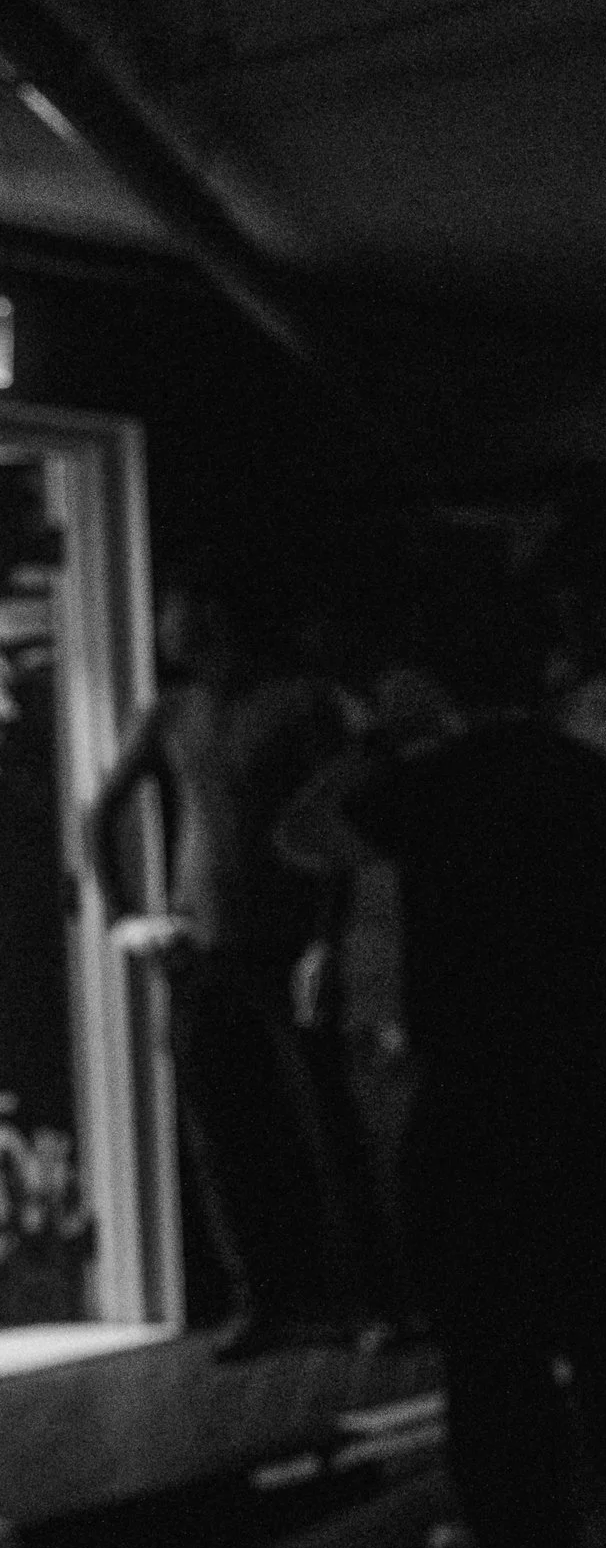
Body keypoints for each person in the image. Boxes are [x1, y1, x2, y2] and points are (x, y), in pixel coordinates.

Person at [279, 633, 606, 1548]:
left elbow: (301, 833)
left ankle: (519, 1528)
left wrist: (377, 746)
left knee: (485, 1309)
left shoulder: (440, 779)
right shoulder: (589, 774)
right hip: (583, 1066)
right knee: (584, 1278)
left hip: (480, 1078)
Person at [88, 576, 361, 1354]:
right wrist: (123, 921)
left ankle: (367, 1300)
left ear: (210, 615)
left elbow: (339, 823)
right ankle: (260, 1301)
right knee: (221, 1136)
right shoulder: (171, 711)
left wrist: (326, 940)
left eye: (178, 612)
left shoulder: (300, 702)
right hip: (202, 951)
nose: (168, 626)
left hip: (282, 945)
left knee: (321, 1122)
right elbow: (102, 811)